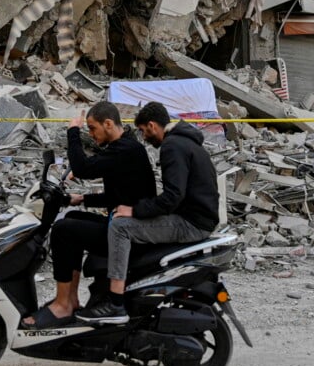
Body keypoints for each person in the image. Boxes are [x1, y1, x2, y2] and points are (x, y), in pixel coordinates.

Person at [76, 101, 219, 325]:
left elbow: (173, 196)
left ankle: (115, 303)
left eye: (143, 131)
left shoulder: (172, 146)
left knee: (120, 227)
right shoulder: (184, 142)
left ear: (152, 126)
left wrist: (134, 210)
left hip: (191, 222)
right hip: (197, 217)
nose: (143, 138)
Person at [21, 101, 155, 329]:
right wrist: (81, 199)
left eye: (93, 128)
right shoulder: (125, 148)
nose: (91, 135)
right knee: (72, 218)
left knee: (64, 231)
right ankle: (70, 299)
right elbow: (116, 196)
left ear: (109, 124)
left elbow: (82, 168)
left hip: (129, 232)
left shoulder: (125, 150)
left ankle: (63, 305)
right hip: (122, 223)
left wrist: (73, 131)